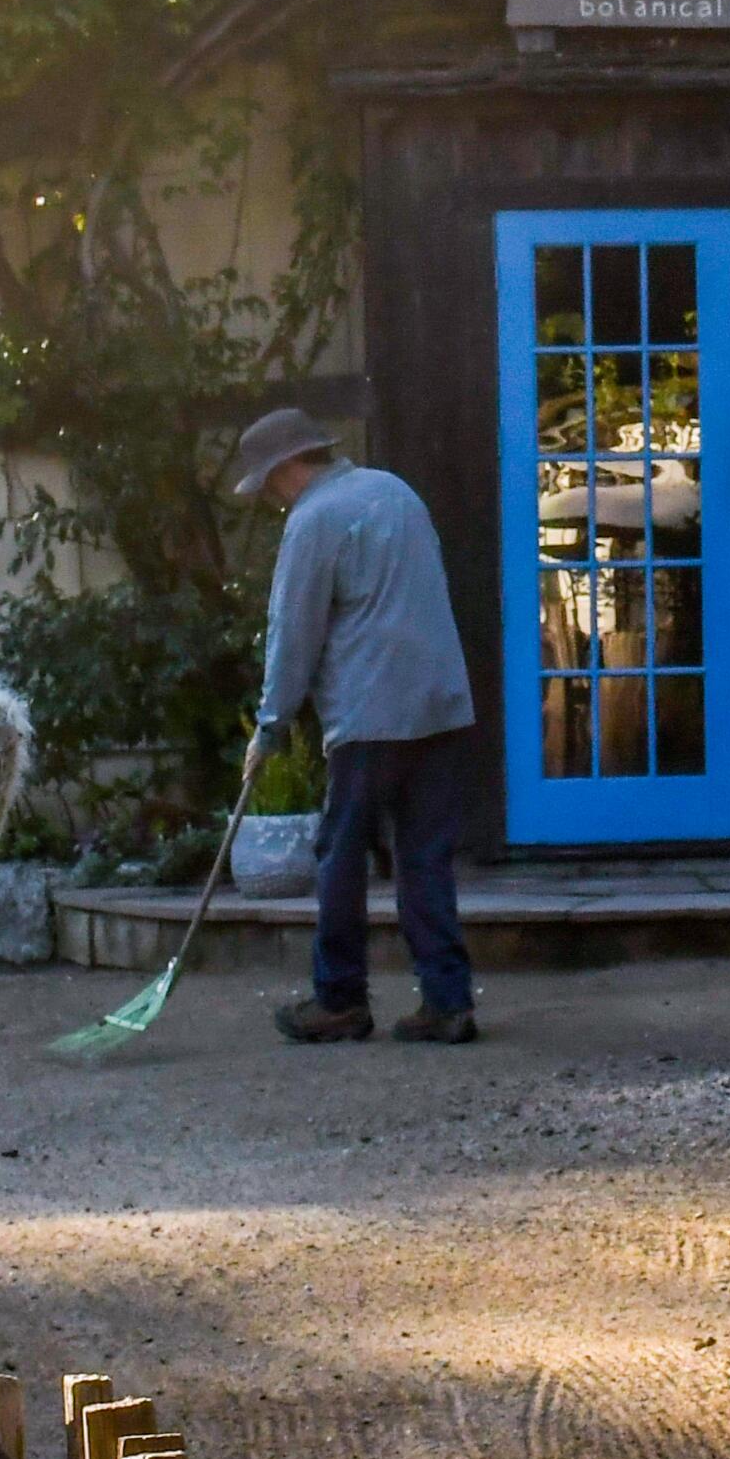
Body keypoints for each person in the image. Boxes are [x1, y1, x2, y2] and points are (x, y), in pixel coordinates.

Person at [235, 406, 478, 1044]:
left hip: (372, 716)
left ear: (287, 467)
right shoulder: (396, 492)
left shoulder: (313, 520)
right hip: (442, 705)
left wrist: (270, 727)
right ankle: (448, 1002)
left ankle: (340, 999)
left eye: (266, 484)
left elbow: (294, 634)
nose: (268, 500)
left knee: (340, 854)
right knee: (425, 856)